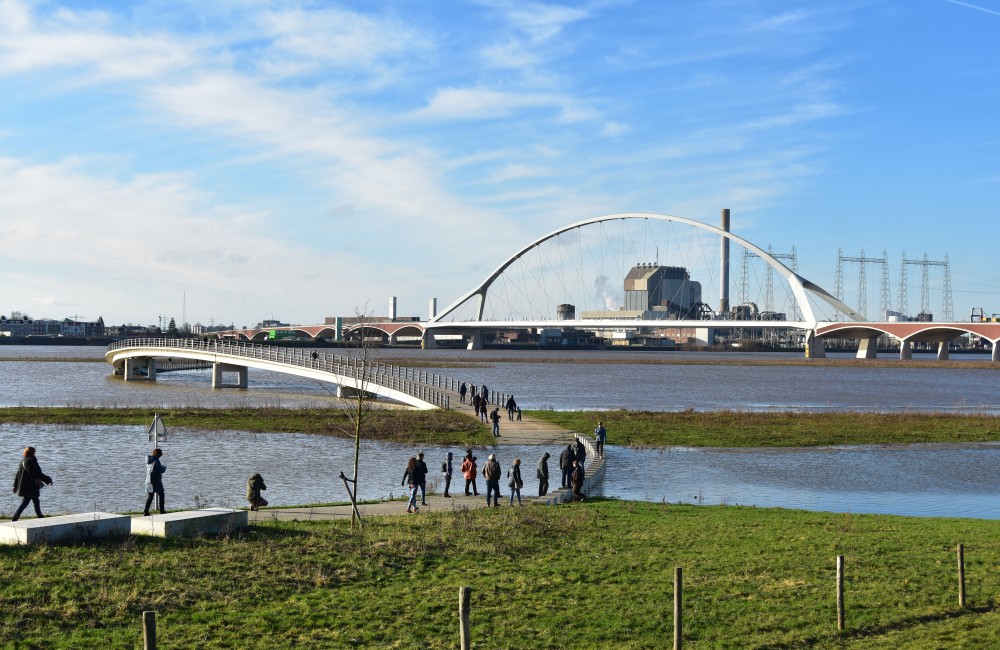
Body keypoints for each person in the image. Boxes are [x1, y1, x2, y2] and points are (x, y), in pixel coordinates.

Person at [11, 446, 52, 522]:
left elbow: (18, 474)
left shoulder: (23, 461)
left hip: (25, 486)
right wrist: (48, 479)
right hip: (31, 486)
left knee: (35, 501)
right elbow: (38, 474)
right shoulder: (31, 461)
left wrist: (15, 485)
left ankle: (40, 516)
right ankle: (15, 518)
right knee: (26, 502)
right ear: (33, 453)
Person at [143, 448, 166, 516]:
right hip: (156, 481)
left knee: (150, 496)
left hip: (148, 481)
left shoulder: (148, 460)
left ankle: (146, 511)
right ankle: (162, 511)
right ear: (159, 455)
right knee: (161, 495)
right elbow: (160, 470)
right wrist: (164, 467)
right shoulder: (156, 461)